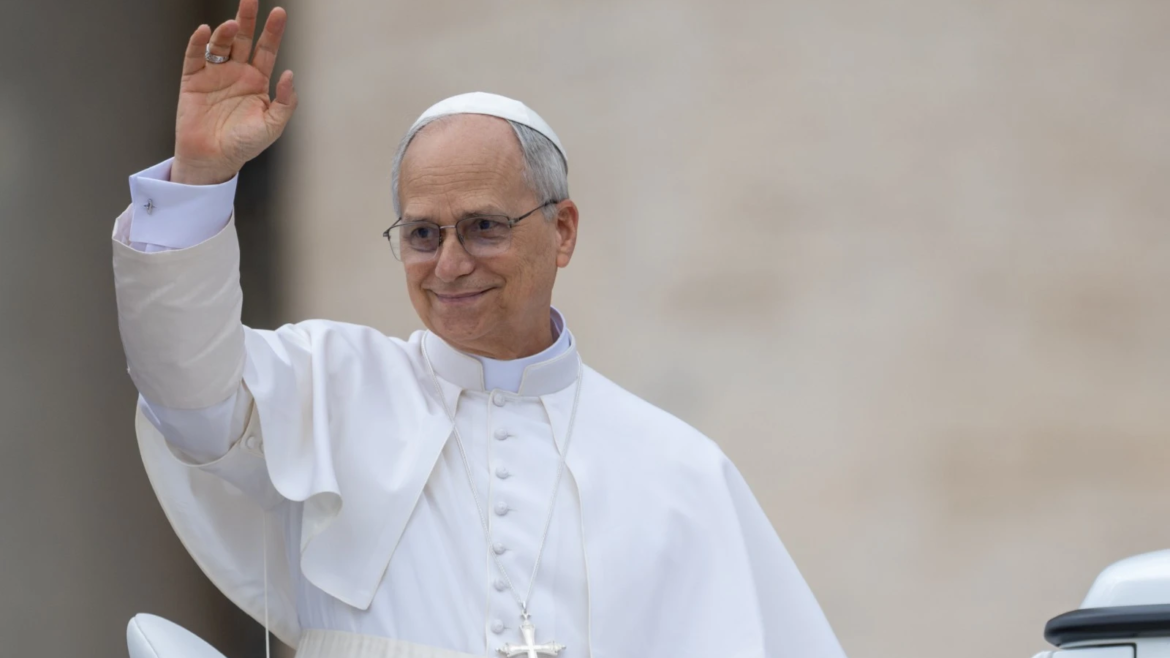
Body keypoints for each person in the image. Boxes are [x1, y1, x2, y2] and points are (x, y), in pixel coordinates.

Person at [112, 2, 848, 656]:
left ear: (561, 231)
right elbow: (187, 392)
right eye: (424, 234)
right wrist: (200, 181)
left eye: (484, 227)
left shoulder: (681, 471)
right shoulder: (328, 382)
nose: (451, 264)